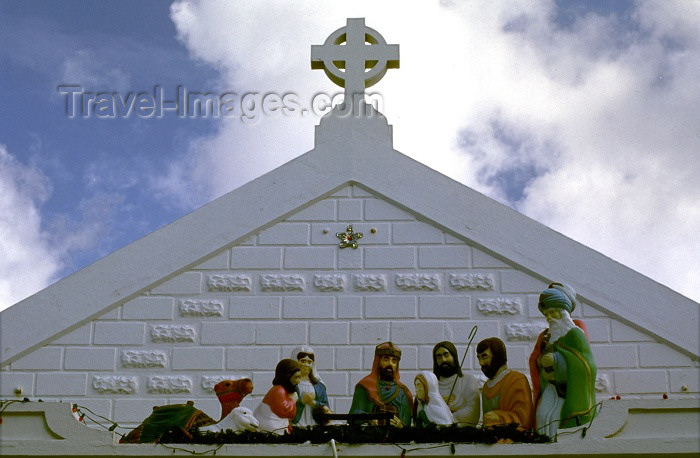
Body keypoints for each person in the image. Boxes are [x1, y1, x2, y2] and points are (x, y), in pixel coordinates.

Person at [529, 283, 597, 437]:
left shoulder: (575, 333)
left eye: (553, 313)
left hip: (568, 393)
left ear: (563, 313)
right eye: (547, 315)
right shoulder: (548, 337)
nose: (550, 318)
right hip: (551, 389)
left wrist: (557, 360)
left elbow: (586, 364)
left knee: (559, 418)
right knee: (542, 415)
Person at [349, 341, 413, 427]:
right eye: (386, 360)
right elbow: (353, 415)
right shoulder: (364, 386)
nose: (390, 364)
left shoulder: (402, 392)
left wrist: (400, 425)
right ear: (378, 362)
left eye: (394, 361)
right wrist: (368, 419)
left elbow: (407, 423)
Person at [476, 337, 533, 430]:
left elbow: (524, 419)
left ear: (497, 356)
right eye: (479, 358)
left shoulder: (517, 379)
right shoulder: (486, 387)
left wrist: (498, 417)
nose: (481, 363)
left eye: (484, 356)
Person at [432, 341, 480, 426]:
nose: (443, 360)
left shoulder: (468, 380)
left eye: (446, 355)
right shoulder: (430, 383)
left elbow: (472, 410)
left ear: (454, 356)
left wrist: (449, 419)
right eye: (439, 357)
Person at [254, 359, 301, 434]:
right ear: (287, 377)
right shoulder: (278, 390)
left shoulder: (283, 390)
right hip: (268, 426)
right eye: (296, 377)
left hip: (275, 424)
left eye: (299, 377)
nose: (298, 381)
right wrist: (292, 400)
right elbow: (284, 412)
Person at [290, 345, 331, 427]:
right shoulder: (290, 384)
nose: (306, 365)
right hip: (296, 424)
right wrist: (302, 402)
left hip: (314, 423)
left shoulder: (319, 385)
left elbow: (326, 406)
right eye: (302, 361)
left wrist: (314, 403)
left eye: (309, 362)